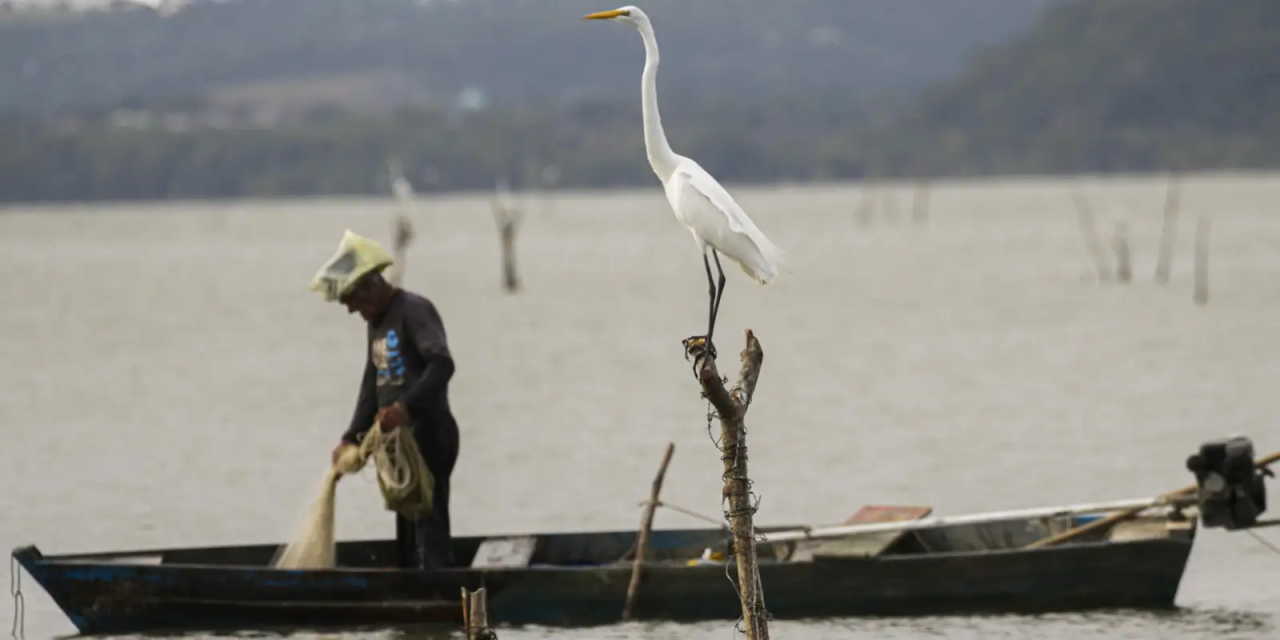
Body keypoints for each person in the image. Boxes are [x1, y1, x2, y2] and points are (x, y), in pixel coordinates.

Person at [310, 229, 460, 570]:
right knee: (406, 519)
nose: (351, 310)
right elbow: (372, 382)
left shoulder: (414, 311)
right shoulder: (376, 322)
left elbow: (442, 365)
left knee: (430, 515)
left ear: (371, 288)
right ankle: (409, 587)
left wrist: (405, 408)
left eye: (353, 300)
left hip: (431, 432)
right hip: (395, 441)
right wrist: (351, 435)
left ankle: (440, 592)